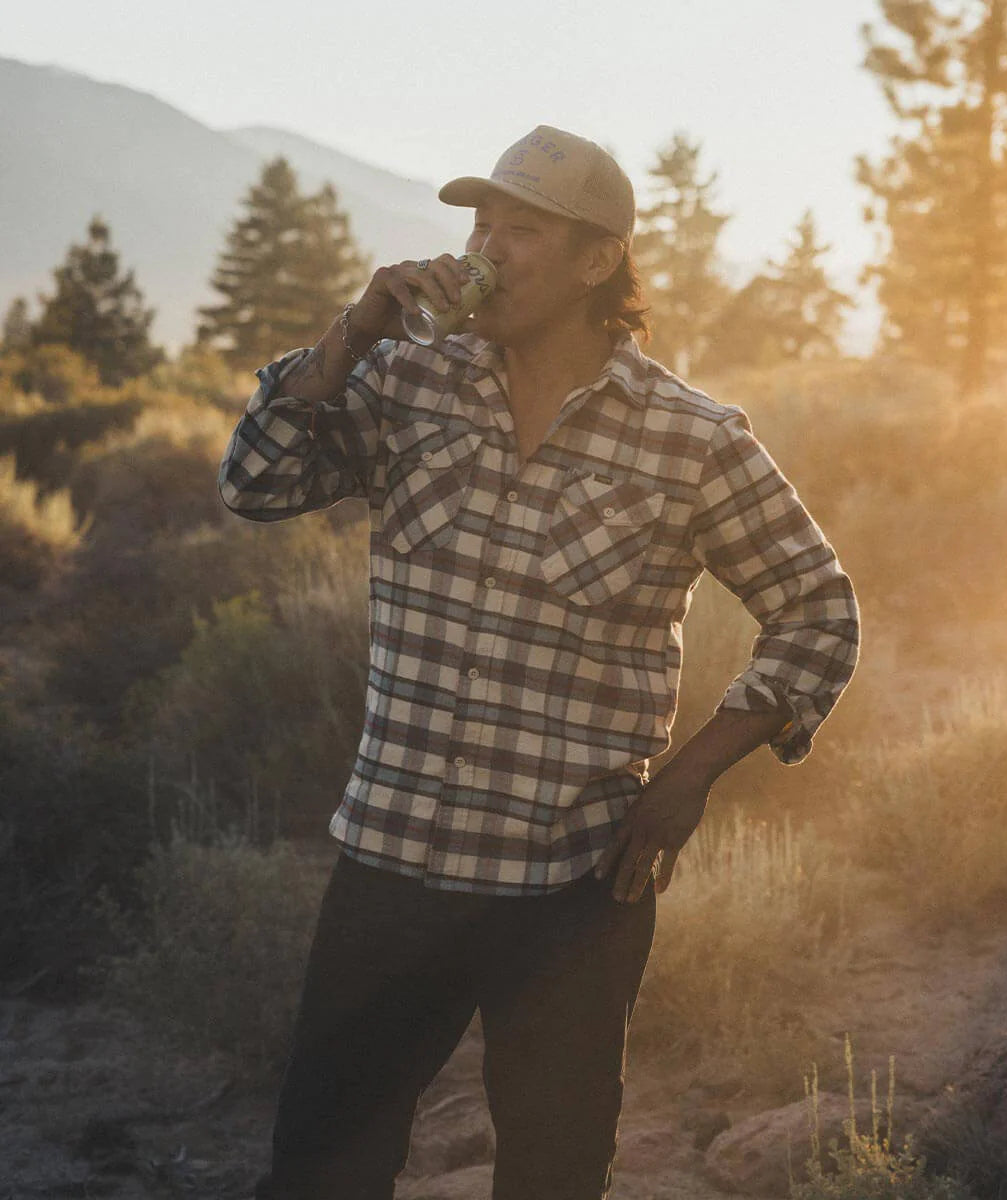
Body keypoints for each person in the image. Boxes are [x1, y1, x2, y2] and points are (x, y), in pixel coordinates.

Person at [218, 124, 859, 1200]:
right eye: (480, 225)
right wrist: (352, 333)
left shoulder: (691, 439)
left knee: (555, 1176)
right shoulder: (408, 383)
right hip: (391, 865)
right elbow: (256, 484)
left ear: (598, 260)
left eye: (522, 229)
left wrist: (691, 776)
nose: (487, 249)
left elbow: (819, 610)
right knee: (321, 1168)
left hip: (569, 888)